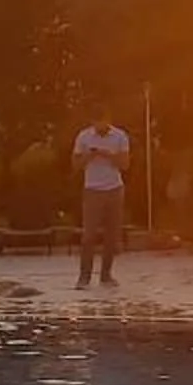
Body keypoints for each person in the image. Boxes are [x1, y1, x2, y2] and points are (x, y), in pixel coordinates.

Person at [71, 109, 132, 290]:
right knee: (88, 235)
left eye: (102, 122)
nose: (98, 126)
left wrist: (108, 155)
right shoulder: (84, 136)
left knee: (111, 235)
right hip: (92, 190)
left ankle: (106, 276)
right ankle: (84, 277)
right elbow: (75, 165)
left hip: (114, 188)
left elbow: (125, 164)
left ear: (108, 120)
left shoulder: (120, 136)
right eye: (95, 122)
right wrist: (89, 156)